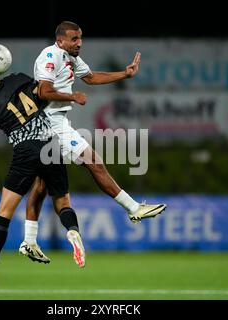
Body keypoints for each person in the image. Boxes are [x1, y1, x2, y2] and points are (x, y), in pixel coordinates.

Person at [18, 21, 167, 264]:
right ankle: (133, 209)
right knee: (93, 162)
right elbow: (43, 92)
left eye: (80, 38)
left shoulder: (71, 58)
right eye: (74, 39)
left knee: (42, 184)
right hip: (48, 124)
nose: (79, 43)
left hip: (55, 123)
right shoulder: (50, 55)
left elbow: (90, 77)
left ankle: (29, 241)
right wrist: (72, 96)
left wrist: (125, 74)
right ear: (61, 40)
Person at [0, 49, 86, 289]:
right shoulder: (18, 78)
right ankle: (73, 230)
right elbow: (42, 96)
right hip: (50, 144)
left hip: (25, 151)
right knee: (63, 203)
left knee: (4, 213)